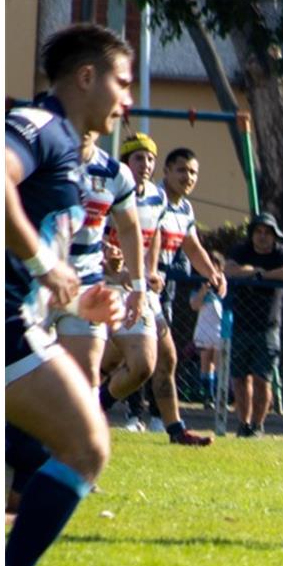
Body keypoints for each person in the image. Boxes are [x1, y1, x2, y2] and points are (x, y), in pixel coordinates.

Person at [5, 22, 133, 566]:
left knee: (54, 456)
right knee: (84, 445)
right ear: (86, 77)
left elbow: (42, 255)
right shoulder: (40, 126)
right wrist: (39, 261)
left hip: (18, 322)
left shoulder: (70, 147)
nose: (126, 99)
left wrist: (77, 296)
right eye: (121, 81)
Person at [122, 145, 224, 444]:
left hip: (153, 288)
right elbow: (149, 237)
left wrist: (212, 273)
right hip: (133, 286)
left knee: (163, 359)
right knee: (132, 360)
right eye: (181, 170)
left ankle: (169, 426)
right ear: (166, 172)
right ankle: (124, 414)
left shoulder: (185, 208)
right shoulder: (155, 198)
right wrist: (148, 272)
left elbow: (191, 246)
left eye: (193, 172)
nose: (188, 177)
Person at [51, 131, 145, 387]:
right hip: (34, 287)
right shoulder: (37, 158)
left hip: (86, 289)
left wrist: (138, 286)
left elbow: (128, 227)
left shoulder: (115, 172)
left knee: (85, 381)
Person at [98, 132, 166, 431]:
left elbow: (151, 236)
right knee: (85, 363)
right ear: (126, 161)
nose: (146, 164)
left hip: (133, 289)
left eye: (151, 158)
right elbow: (89, 233)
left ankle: (97, 405)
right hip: (95, 286)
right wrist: (109, 262)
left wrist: (149, 272)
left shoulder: (157, 196)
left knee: (143, 365)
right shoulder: (105, 188)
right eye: (139, 157)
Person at [224, 211, 283, 437]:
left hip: (268, 327)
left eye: (268, 233)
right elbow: (228, 269)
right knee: (239, 377)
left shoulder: (281, 252)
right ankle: (243, 424)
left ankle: (257, 425)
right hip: (241, 325)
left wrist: (264, 276)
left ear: (275, 236)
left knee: (261, 379)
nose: (263, 237)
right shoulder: (241, 250)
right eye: (259, 232)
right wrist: (253, 271)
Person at [189, 250, 225, 409]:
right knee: (205, 361)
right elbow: (194, 305)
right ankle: (207, 396)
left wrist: (219, 282)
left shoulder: (223, 284)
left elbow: (223, 295)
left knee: (218, 362)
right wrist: (204, 291)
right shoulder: (198, 287)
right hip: (204, 326)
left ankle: (220, 396)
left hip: (219, 327)